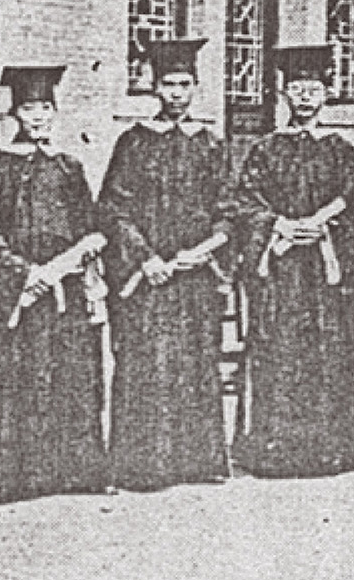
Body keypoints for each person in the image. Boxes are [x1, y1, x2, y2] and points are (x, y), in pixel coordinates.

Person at [0, 66, 109, 502]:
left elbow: (91, 226)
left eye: (45, 107)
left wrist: (72, 261)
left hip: (65, 293)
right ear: (16, 113)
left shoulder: (69, 166)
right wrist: (25, 274)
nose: (39, 117)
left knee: (69, 376)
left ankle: (70, 473)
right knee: (13, 379)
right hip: (16, 294)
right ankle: (11, 478)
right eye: (29, 109)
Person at [97, 38, 232, 490]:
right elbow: (114, 209)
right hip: (147, 277)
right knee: (147, 363)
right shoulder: (134, 142)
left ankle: (197, 462)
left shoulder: (210, 143)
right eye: (168, 84)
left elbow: (226, 209)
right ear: (154, 87)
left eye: (184, 84)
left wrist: (207, 248)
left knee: (194, 360)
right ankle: (144, 466)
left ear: (195, 87)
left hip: (194, 277)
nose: (176, 93)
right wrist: (144, 257)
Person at [231, 44, 354, 478]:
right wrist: (279, 225)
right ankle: (274, 448)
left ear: (327, 94)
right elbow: (246, 201)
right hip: (281, 268)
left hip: (324, 268)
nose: (306, 97)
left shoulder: (341, 150)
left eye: (314, 89)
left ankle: (327, 448)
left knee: (326, 348)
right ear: (283, 93)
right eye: (297, 89)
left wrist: (324, 225)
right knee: (278, 347)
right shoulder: (265, 149)